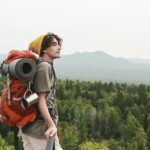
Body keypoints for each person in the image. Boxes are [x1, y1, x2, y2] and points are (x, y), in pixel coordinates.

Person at [20, 32, 63, 150]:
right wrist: (51, 124)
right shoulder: (44, 67)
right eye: (54, 44)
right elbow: (41, 99)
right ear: (44, 49)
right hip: (40, 129)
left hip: (32, 127)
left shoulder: (40, 65)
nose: (59, 47)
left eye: (59, 44)